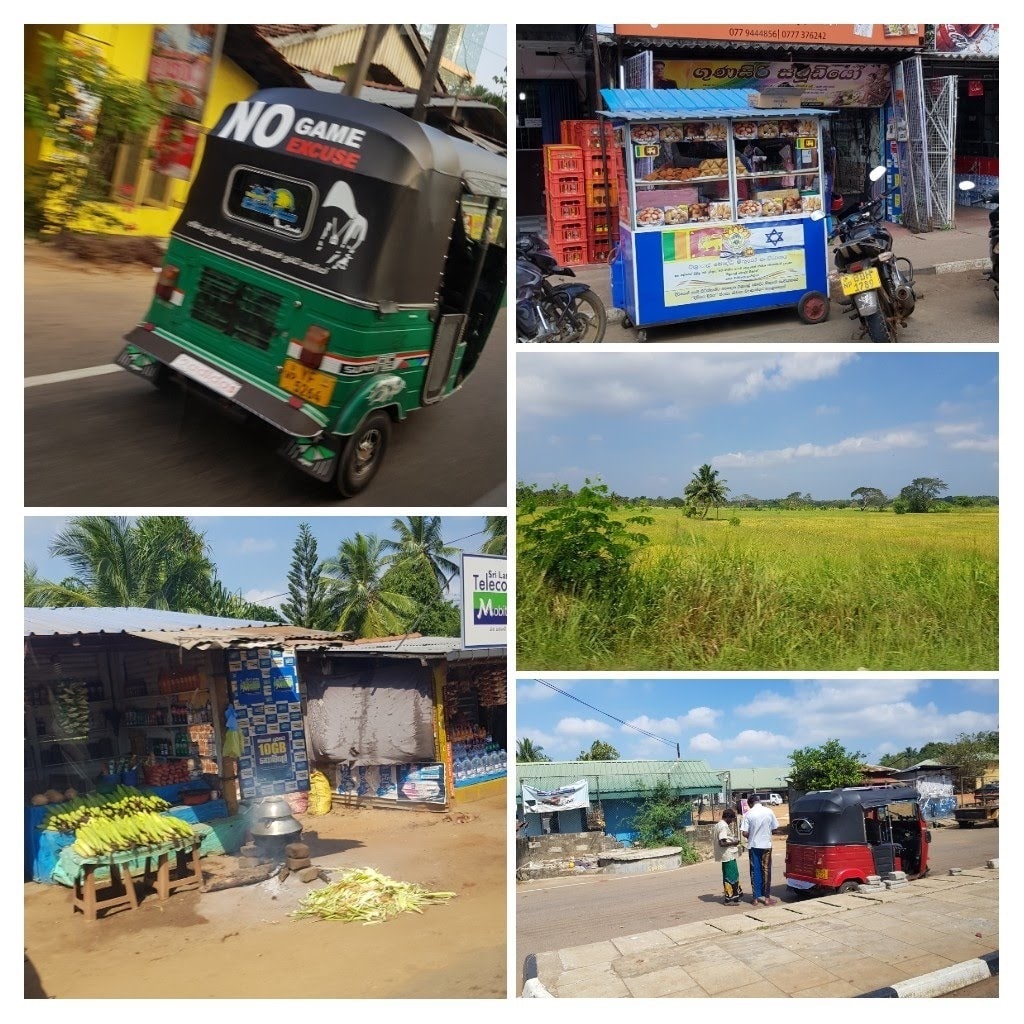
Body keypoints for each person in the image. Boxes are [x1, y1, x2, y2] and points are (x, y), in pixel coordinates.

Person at [741, 794, 780, 905]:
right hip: (766, 845)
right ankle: (767, 898)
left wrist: (752, 835)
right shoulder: (769, 811)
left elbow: (744, 832)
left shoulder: (748, 814)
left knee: (754, 870)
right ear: (759, 801)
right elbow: (775, 828)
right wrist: (766, 832)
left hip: (753, 846)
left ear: (750, 803)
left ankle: (755, 899)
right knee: (766, 870)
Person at [713, 808, 744, 904]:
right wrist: (734, 842)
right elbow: (722, 842)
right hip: (727, 855)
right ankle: (729, 898)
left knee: (732, 875)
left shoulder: (718, 825)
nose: (732, 821)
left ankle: (735, 895)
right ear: (728, 817)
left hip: (726, 855)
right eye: (732, 819)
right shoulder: (723, 827)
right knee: (731, 876)